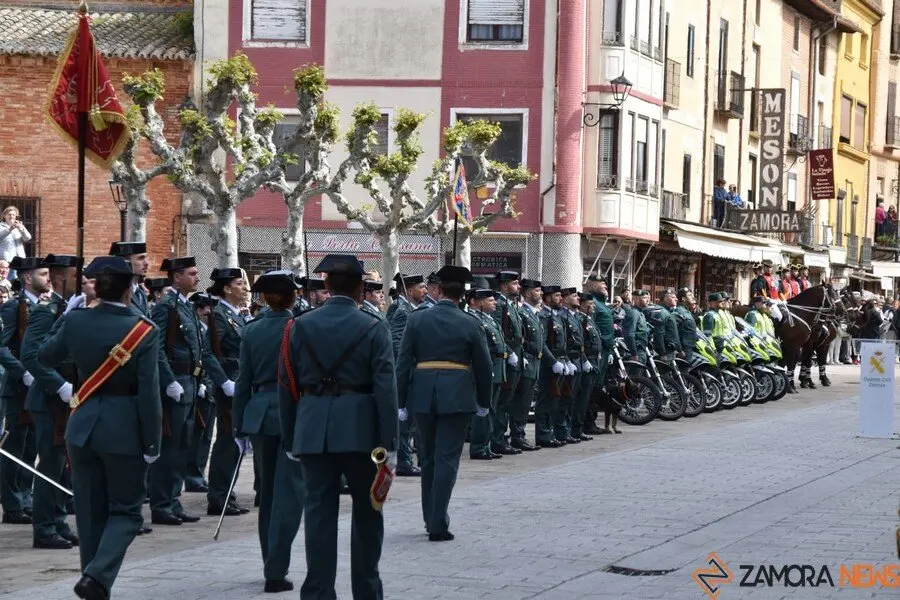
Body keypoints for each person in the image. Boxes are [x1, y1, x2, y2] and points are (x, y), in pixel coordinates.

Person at [37, 256, 160, 600]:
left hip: (83, 422)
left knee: (90, 512)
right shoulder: (143, 329)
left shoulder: (75, 320)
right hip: (124, 427)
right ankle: (97, 576)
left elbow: (45, 356)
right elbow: (149, 392)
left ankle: (93, 581)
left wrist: (65, 318)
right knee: (126, 512)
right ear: (130, 289)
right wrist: (152, 444)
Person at [278, 254, 397, 600]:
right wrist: (390, 443)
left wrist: (290, 435)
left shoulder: (299, 325)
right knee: (368, 513)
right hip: (361, 430)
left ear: (327, 286)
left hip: (313, 427)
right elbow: (386, 390)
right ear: (362, 288)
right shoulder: (374, 326)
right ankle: (367, 590)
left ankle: (317, 591)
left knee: (318, 514)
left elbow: (287, 384)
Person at [395, 265, 491, 541]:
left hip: (423, 394)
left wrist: (401, 401)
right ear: (463, 295)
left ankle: (430, 517)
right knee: (447, 458)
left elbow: (403, 363)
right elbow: (484, 367)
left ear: (438, 290)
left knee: (427, 458)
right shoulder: (471, 322)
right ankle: (438, 522)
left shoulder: (417, 319)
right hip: (457, 395)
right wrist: (484, 401)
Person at [233, 270, 303, 593]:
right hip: (293, 412)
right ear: (293, 297)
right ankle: (276, 568)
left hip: (259, 414)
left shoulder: (252, 330)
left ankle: (269, 562)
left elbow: (243, 380)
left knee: (269, 496)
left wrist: (237, 426)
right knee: (289, 495)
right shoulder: (300, 328)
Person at [148, 257, 230, 526]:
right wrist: (168, 380)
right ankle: (161, 504)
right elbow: (157, 347)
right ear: (176, 278)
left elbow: (203, 351)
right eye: (192, 274)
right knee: (170, 448)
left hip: (191, 384)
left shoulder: (185, 306)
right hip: (177, 383)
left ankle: (173, 500)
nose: (197, 277)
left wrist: (221, 381)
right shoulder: (165, 307)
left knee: (184, 447)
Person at [21, 254, 80, 549]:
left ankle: (58, 521)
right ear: (61, 279)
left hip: (63, 400)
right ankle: (44, 528)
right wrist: (59, 386)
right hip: (47, 400)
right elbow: (30, 354)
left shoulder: (68, 308)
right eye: (75, 276)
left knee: (62, 466)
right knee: (50, 465)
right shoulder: (48, 309)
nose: (80, 283)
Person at [0, 256, 49, 525]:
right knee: (15, 447)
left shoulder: (42, 305)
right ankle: (12, 504)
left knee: (31, 446)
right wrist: (22, 371)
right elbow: (2, 346)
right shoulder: (12, 307)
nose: (48, 278)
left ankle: (25, 497)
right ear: (28, 278)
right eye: (42, 273)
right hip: (18, 387)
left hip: (36, 386)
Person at [205, 268, 251, 517]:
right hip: (229, 386)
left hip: (240, 383)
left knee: (237, 443)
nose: (244, 287)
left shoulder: (237, 315)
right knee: (227, 441)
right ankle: (218, 497)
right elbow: (209, 352)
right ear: (226, 288)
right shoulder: (219, 315)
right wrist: (223, 382)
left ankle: (226, 494)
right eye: (239, 283)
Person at [388, 273, 426, 476]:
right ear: (409, 291)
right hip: (407, 373)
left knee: (410, 420)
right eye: (421, 287)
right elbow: (397, 344)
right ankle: (403, 462)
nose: (425, 291)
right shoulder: (402, 311)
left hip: (412, 372)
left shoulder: (410, 310)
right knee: (404, 421)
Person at [468, 288, 508, 460]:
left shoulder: (489, 319)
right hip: (486, 368)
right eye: (491, 300)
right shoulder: (474, 319)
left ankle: (487, 444)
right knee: (483, 409)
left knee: (492, 408)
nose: (495, 303)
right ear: (478, 302)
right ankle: (478, 447)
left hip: (497, 367)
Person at [490, 271, 523, 455]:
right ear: (504, 286)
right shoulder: (499, 305)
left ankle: (501, 437)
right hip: (506, 360)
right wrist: (510, 353)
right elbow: (498, 332)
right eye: (515, 283)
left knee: (507, 401)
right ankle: (497, 439)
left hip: (515, 359)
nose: (518, 287)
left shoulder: (510, 305)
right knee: (501, 402)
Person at [511, 278, 543, 450]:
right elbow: (519, 338)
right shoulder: (522, 313)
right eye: (538, 291)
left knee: (526, 401)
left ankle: (519, 435)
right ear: (530, 292)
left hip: (534, 363)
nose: (540, 294)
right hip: (526, 361)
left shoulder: (534, 314)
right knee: (521, 403)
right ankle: (517, 436)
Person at [536, 286, 567, 448]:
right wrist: (553, 361)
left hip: (559, 361)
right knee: (545, 400)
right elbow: (543, 342)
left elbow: (564, 342)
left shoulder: (556, 315)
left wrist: (565, 360)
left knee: (554, 400)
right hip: (549, 364)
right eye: (557, 295)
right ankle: (543, 434)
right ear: (548, 298)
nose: (560, 298)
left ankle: (550, 432)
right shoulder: (543, 316)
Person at [584, 276, 615, 435]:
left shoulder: (601, 303)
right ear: (591, 285)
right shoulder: (593, 304)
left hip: (605, 351)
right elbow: (591, 328)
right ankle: (588, 423)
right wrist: (599, 350)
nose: (605, 286)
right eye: (601, 283)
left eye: (605, 283)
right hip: (598, 352)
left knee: (597, 387)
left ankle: (591, 422)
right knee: (592, 388)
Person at [556, 287, 584, 444]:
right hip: (568, 360)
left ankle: (567, 430)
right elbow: (564, 343)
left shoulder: (574, 316)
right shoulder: (563, 316)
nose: (578, 298)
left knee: (571, 399)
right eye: (574, 296)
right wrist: (565, 361)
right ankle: (561, 430)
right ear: (565, 300)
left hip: (577, 360)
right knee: (564, 399)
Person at [571, 293, 599, 441]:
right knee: (580, 399)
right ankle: (576, 428)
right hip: (585, 360)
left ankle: (579, 427)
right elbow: (579, 344)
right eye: (590, 304)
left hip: (593, 360)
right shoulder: (580, 319)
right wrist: (585, 359)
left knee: (586, 397)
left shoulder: (588, 319)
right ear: (582, 305)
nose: (593, 307)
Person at [108, 242, 151, 317]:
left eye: (146, 258)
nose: (146, 263)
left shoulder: (141, 293)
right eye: (141, 258)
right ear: (125, 262)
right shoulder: (117, 294)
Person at [0, 206, 33, 274]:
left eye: (13, 214)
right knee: (9, 281)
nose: (11, 216)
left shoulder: (20, 226)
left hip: (20, 260)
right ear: (4, 216)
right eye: (9, 214)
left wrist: (22, 229)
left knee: (20, 281)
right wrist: (9, 229)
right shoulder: (1, 226)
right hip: (7, 261)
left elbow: (27, 238)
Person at [673, 288, 699, 360]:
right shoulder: (679, 312)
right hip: (684, 347)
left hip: (690, 345)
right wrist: (679, 349)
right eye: (690, 295)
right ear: (683, 298)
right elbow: (675, 332)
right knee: (684, 369)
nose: (693, 297)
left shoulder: (686, 311)